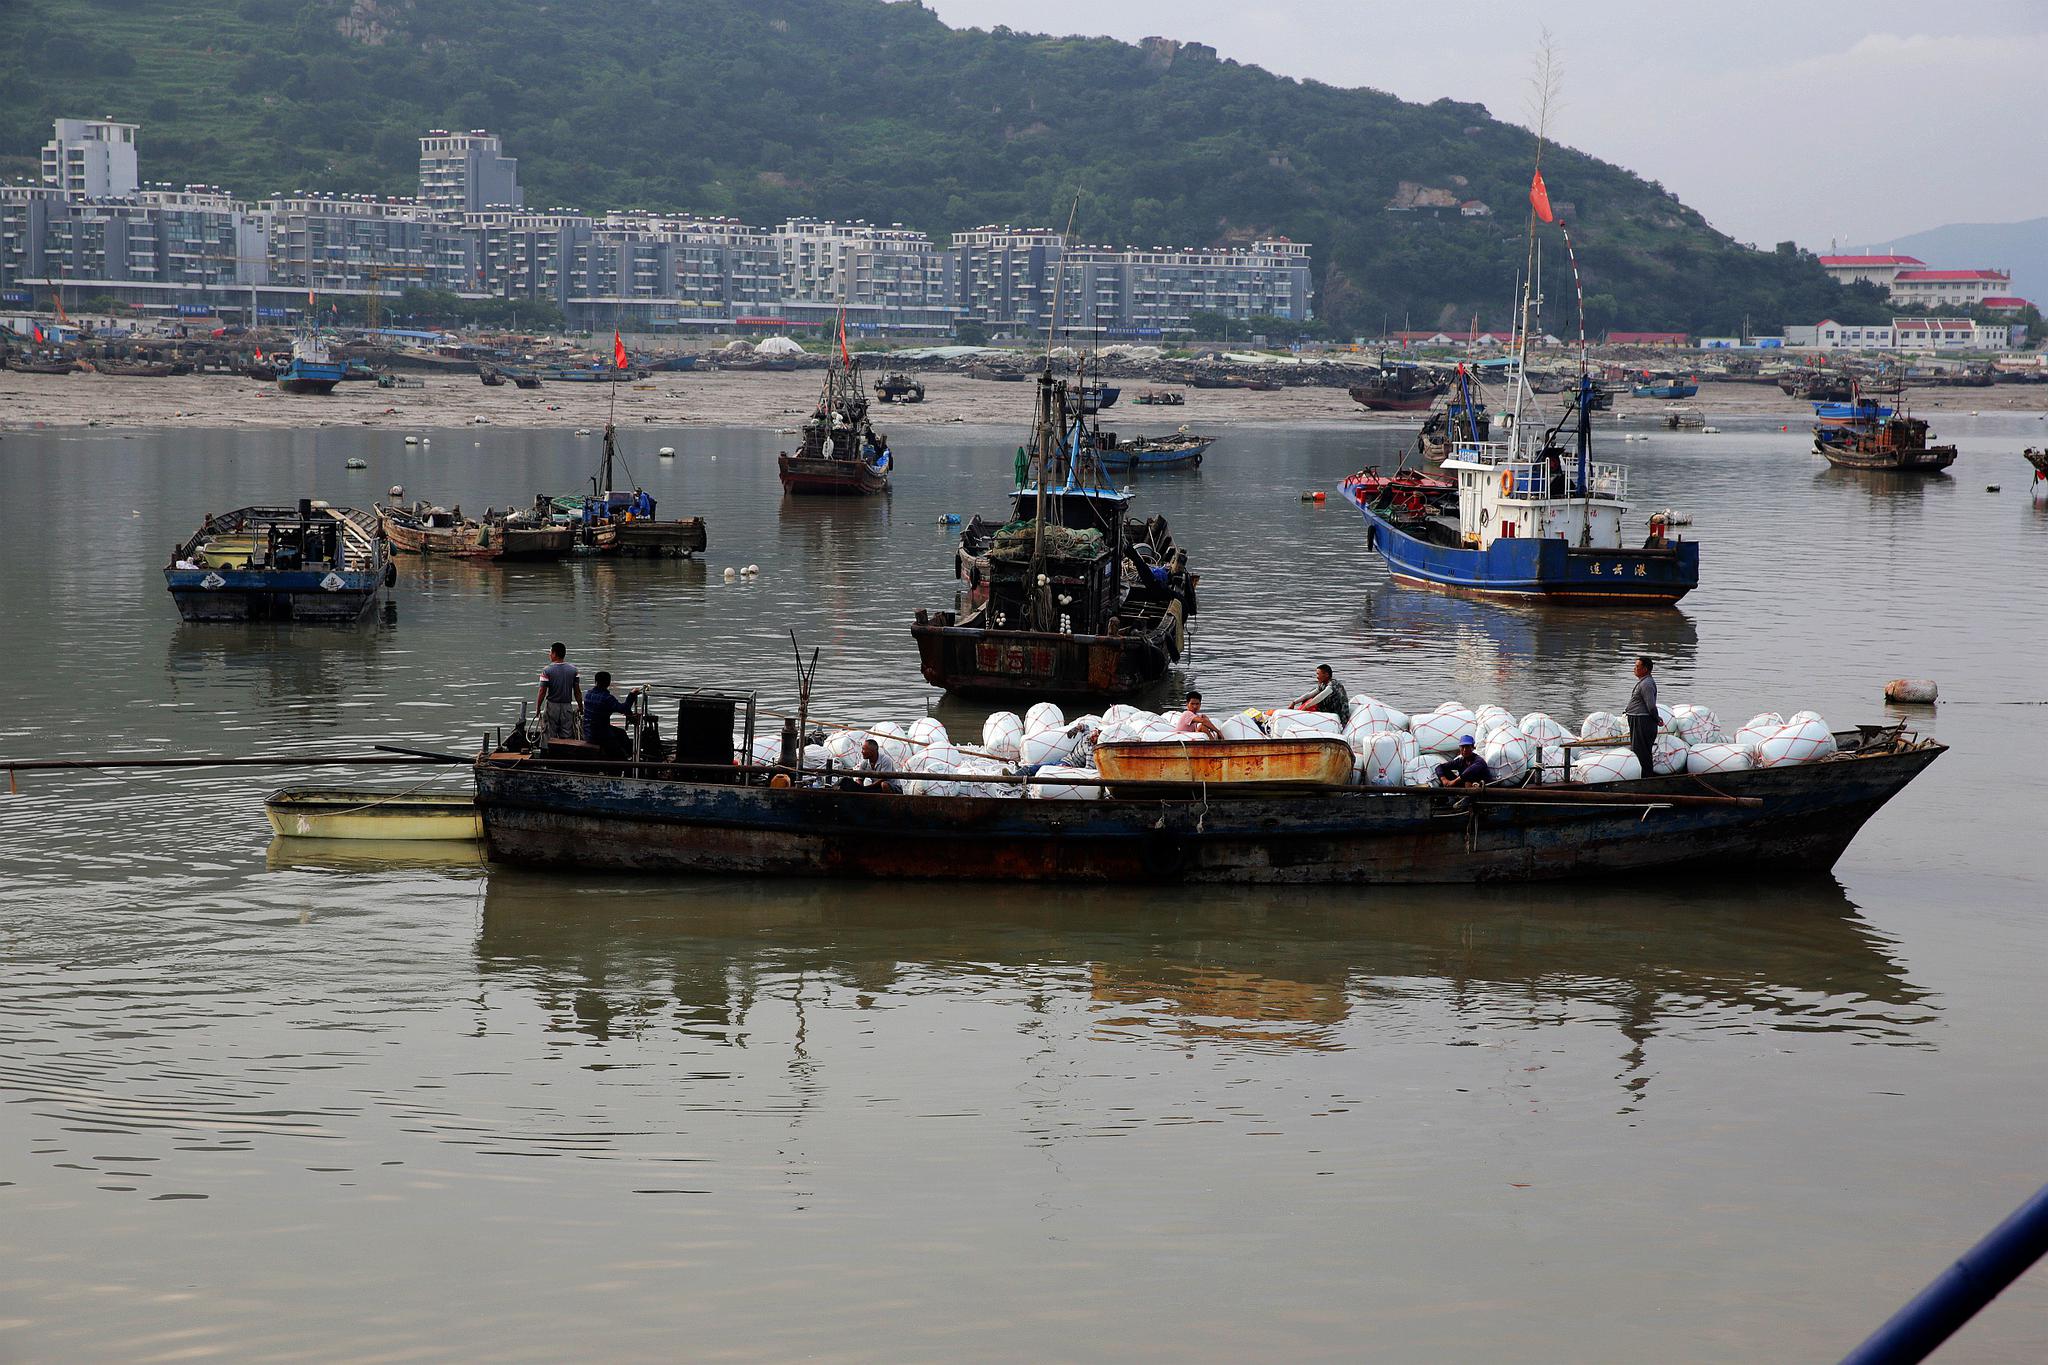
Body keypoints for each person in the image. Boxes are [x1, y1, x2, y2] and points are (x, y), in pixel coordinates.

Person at [582, 670, 641, 758]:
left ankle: (631, 754)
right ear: (608, 683)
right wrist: (632, 695)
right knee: (620, 754)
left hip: (588, 731)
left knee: (621, 733)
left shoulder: (588, 694)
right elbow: (623, 709)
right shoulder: (607, 698)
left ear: (595, 682)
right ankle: (629, 759)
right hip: (600, 734)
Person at [536, 642, 582, 741]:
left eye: (550, 652)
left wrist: (538, 707)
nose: (549, 655)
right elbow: (577, 692)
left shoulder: (547, 670)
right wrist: (580, 707)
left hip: (552, 706)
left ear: (554, 654)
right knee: (567, 734)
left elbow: (542, 692)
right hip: (567, 706)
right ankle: (564, 754)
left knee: (548, 734)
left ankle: (548, 753)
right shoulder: (573, 670)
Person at [1625, 655, 1658, 774]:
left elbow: (1651, 706)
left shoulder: (1647, 684)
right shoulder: (1643, 682)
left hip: (1642, 720)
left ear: (1645, 669)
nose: (1634, 668)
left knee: (1642, 750)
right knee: (1637, 749)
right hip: (1637, 718)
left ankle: (1647, 776)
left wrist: (1656, 718)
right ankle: (1641, 773)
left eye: (1637, 666)